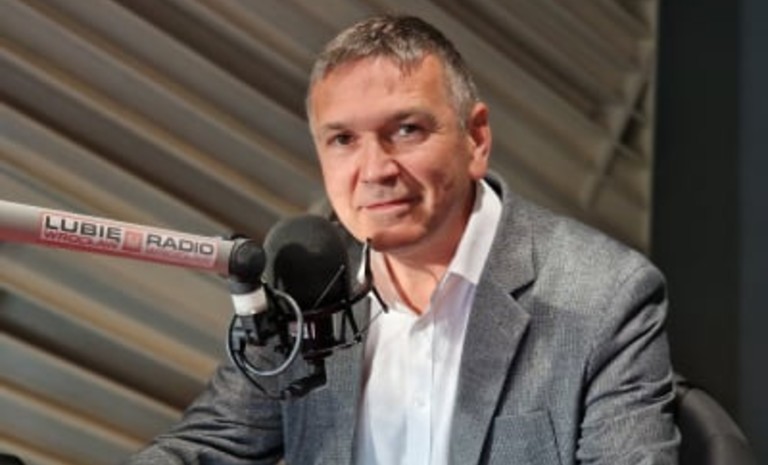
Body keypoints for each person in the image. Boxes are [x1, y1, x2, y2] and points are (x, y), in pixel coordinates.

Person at [125, 14, 679, 465]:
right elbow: (212, 445)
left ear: (476, 139)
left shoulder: (602, 295)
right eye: (343, 139)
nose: (374, 170)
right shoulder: (304, 284)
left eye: (406, 130)